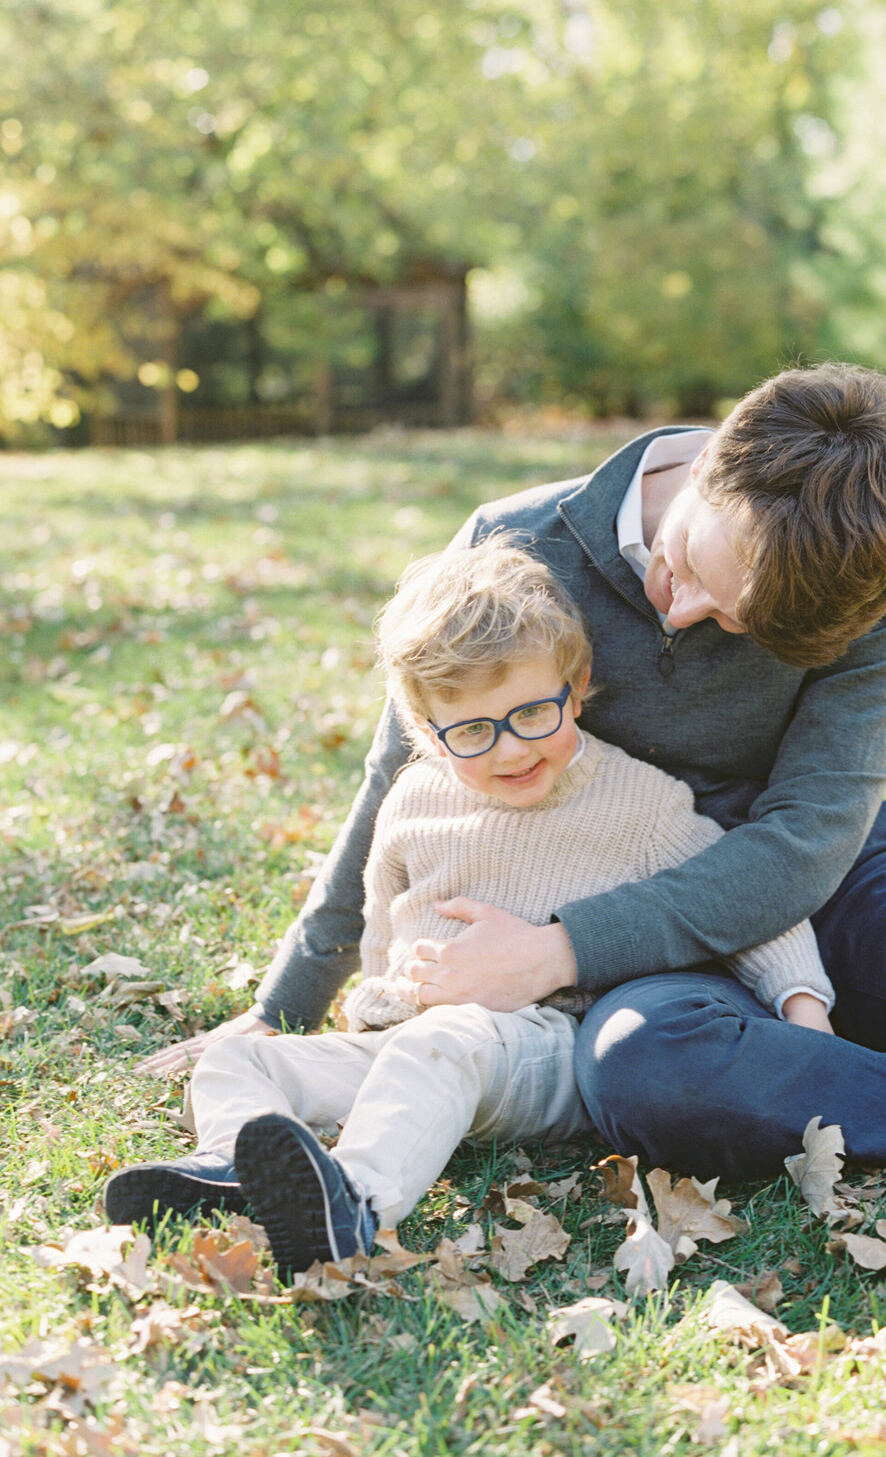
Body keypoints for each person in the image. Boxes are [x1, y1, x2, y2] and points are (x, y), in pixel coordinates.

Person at [139, 361, 886, 1180]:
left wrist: (552, 954)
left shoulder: (875, 594)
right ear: (712, 459)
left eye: (735, 622)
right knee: (648, 1068)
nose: (683, 610)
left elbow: (804, 842)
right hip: (619, 917)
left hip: (813, 878)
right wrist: (282, 1009)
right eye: (692, 566)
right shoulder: (512, 545)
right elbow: (393, 786)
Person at [106, 539, 836, 1272]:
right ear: (424, 731)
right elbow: (385, 922)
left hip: (548, 1048)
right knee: (242, 1058)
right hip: (420, 1047)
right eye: (474, 731)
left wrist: (805, 1011)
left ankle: (354, 1203)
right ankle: (233, 1168)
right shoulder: (413, 801)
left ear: (576, 687)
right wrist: (378, 1004)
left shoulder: (641, 804)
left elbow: (750, 903)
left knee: (445, 1041)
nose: (511, 750)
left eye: (531, 714)